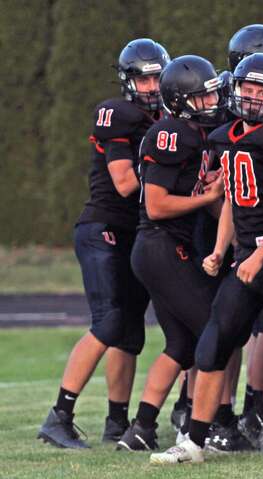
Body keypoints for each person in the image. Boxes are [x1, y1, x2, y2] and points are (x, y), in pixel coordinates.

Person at [38, 38, 169, 449]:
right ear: (128, 81)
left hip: (131, 233)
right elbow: (126, 184)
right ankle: (59, 416)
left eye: (155, 78)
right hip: (103, 228)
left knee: (130, 335)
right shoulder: (119, 114)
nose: (150, 86)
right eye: (142, 78)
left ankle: (116, 421)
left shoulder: (162, 118)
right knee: (109, 322)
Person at [116, 55, 227, 451]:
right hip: (160, 244)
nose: (211, 102)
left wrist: (209, 191)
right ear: (181, 101)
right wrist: (209, 196)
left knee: (181, 346)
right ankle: (198, 430)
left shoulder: (192, 133)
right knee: (215, 335)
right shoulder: (172, 133)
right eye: (202, 97)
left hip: (161, 248)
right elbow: (158, 206)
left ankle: (141, 429)